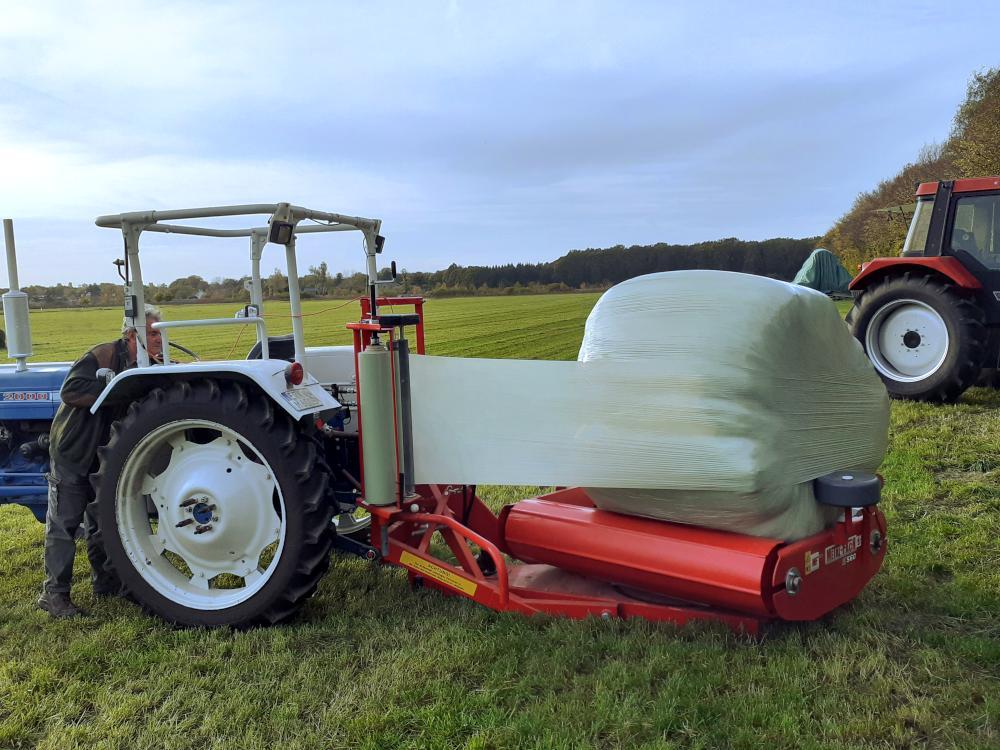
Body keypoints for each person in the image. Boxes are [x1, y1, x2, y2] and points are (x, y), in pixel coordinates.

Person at [37, 304, 163, 618]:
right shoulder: (103, 356)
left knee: (102, 524)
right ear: (132, 335)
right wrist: (119, 387)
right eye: (153, 333)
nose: (160, 338)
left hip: (105, 458)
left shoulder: (149, 362)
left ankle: (106, 584)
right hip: (75, 452)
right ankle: (54, 595)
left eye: (161, 332)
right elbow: (72, 392)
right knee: (64, 525)